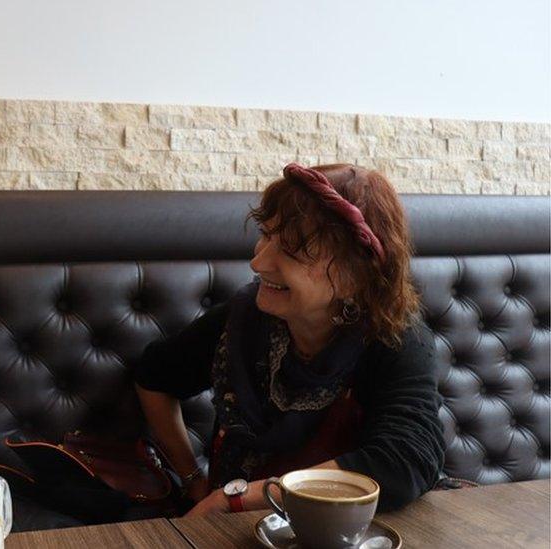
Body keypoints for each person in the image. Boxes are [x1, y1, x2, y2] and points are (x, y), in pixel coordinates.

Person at [133, 163, 445, 516]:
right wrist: (193, 481)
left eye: (291, 251)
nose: (258, 262)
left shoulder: (395, 337)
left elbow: (407, 459)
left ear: (352, 276)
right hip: (239, 531)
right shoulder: (243, 319)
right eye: (266, 235)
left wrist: (235, 497)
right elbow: (153, 375)